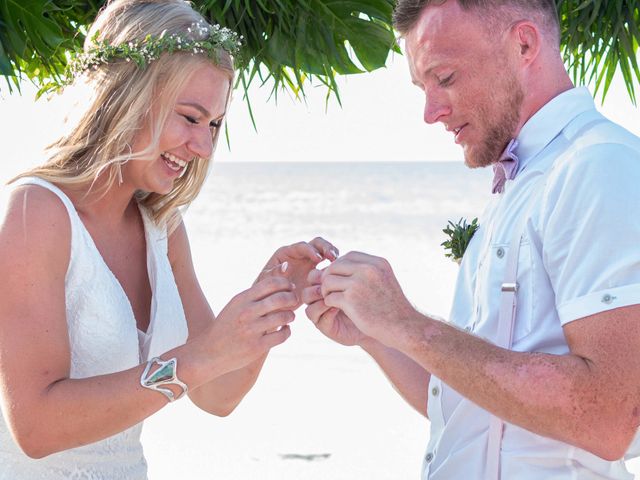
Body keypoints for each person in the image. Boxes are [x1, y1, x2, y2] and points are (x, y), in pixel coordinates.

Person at [302, 0, 640, 478]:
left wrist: (408, 325)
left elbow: (611, 418)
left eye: (445, 77)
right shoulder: (521, 184)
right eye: (423, 87)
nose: (430, 112)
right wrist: (377, 335)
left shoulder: (598, 165)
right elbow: (473, 412)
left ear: (523, 43)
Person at [0, 1, 337, 478]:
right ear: (128, 97)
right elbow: (35, 428)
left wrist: (267, 305)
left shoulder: (162, 227)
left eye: (214, 125)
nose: (203, 147)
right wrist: (199, 357)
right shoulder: (39, 213)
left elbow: (217, 396)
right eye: (190, 118)